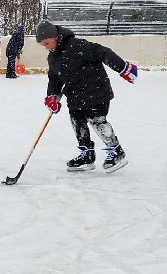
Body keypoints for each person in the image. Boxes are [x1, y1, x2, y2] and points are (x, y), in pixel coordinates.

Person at [35, 21, 137, 173]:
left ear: (55, 37)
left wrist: (122, 67)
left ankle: (116, 152)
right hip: (75, 95)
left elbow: (103, 52)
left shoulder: (76, 45)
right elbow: (54, 78)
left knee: (97, 120)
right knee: (77, 121)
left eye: (47, 43)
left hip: (96, 90)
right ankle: (87, 154)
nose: (47, 47)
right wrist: (52, 96)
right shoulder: (53, 57)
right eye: (43, 45)